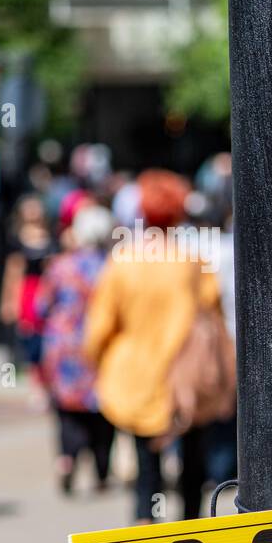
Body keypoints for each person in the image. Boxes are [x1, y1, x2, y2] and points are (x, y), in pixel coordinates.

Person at [85, 170, 225, 523]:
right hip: (186, 377)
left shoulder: (124, 260)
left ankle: (146, 531)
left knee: (146, 467)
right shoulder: (191, 261)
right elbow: (213, 312)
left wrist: (95, 359)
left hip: (135, 374)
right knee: (193, 462)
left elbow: (101, 325)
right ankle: (191, 529)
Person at [36, 205, 117, 494]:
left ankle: (67, 458)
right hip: (100, 346)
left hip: (63, 347)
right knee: (102, 411)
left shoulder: (60, 266)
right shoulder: (112, 267)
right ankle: (101, 469)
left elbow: (41, 306)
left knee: (67, 410)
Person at [0, 194, 59, 389]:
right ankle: (35, 383)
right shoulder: (17, 239)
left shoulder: (51, 237)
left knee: (48, 337)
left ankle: (48, 381)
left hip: (47, 289)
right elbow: (13, 271)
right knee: (29, 339)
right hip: (27, 291)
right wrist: (8, 300)